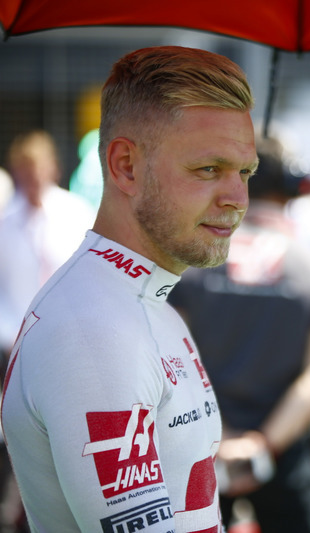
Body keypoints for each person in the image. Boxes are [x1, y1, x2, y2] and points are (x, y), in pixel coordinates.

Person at [0, 46, 258, 532]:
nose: (237, 199)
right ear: (126, 167)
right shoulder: (93, 330)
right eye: (208, 169)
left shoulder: (143, 301)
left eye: (245, 172)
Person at [169, 135, 310, 532]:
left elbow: (170, 360)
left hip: (197, 445)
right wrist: (262, 444)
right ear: (292, 186)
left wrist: (222, 439)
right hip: (283, 450)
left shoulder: (190, 263)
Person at [0, 130, 96, 360]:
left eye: (38, 166)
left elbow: (92, 276)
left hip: (72, 340)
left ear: (53, 167)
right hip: (17, 345)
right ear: (16, 171)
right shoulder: (5, 223)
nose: (33, 175)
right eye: (26, 167)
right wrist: (8, 332)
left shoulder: (77, 212)